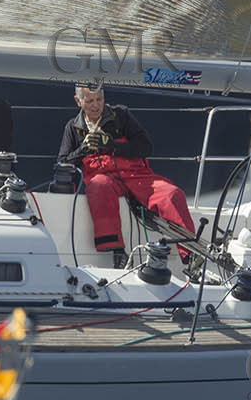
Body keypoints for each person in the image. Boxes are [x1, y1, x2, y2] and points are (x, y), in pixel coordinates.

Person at [58, 84, 194, 265]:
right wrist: (84, 148)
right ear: (78, 101)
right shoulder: (72, 127)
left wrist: (112, 145)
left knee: (171, 194)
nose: (96, 105)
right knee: (99, 186)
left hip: (136, 176)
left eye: (99, 99)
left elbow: (146, 147)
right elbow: (63, 162)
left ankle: (191, 254)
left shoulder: (121, 115)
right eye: (89, 101)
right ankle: (117, 251)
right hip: (106, 179)